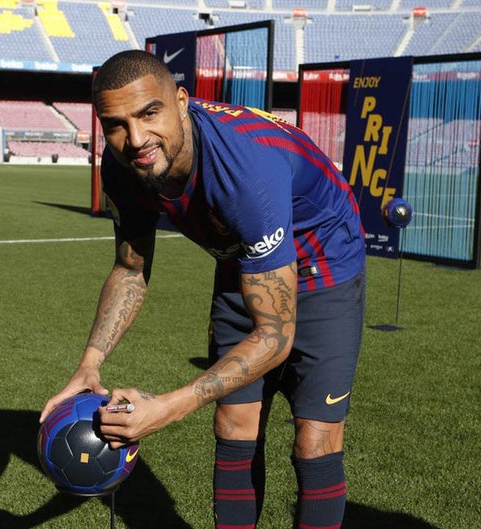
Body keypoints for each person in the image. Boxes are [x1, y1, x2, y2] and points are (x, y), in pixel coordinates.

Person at [40, 50, 366, 529]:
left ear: (181, 102)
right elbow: (130, 269)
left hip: (324, 264)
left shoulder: (245, 171)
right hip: (242, 258)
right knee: (233, 424)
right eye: (116, 125)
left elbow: (275, 335)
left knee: (314, 439)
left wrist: (167, 408)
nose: (136, 139)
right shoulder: (122, 166)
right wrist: (90, 363)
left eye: (149, 114)